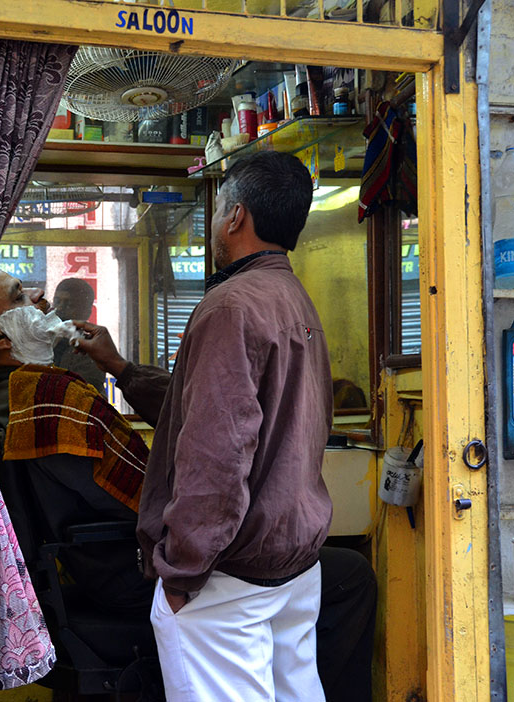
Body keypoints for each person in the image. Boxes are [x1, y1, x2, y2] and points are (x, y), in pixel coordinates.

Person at [75, 150, 341, 701]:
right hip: (292, 563)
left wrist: (183, 570)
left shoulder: (230, 306)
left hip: (229, 576)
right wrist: (121, 369)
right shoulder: (292, 297)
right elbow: (203, 408)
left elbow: (217, 451)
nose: (217, 222)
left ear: (236, 216)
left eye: (220, 207)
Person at [0, 269, 153, 615]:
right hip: (126, 569)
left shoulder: (21, 395)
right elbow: (137, 501)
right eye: (20, 296)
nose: (42, 299)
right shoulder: (45, 400)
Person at [51, 278, 108, 393]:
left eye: (70, 304)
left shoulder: (91, 350)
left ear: (87, 312)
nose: (60, 308)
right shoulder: (41, 338)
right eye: (57, 302)